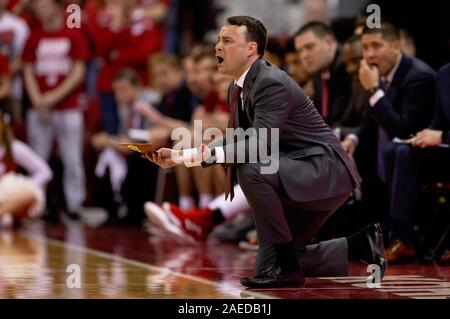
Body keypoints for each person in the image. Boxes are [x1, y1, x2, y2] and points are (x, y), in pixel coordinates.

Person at [145, 16, 386, 288]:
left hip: (324, 170)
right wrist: (180, 156)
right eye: (218, 40)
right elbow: (235, 139)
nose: (217, 47)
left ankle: (287, 269)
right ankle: (359, 245)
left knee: (253, 167)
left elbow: (260, 144)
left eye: (226, 41)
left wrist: (204, 155)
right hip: (298, 170)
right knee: (270, 263)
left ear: (251, 48)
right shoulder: (236, 88)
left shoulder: (271, 82)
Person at [341, 22, 436, 227]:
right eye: (366, 48)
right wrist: (352, 138)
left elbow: (402, 130)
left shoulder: (419, 77)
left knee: (393, 150)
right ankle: (352, 232)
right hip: (390, 156)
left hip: (422, 156)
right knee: (351, 150)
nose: (370, 54)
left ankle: (401, 234)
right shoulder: (381, 75)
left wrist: (374, 90)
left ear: (396, 47)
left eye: (377, 46)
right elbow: (370, 119)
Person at [22, 0, 90, 222]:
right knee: (37, 159)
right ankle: (36, 203)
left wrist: (53, 97)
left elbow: (78, 72)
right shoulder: (34, 38)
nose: (41, 10)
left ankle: (75, 205)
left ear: (57, 7)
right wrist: (38, 100)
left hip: (68, 106)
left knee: (72, 158)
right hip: (39, 108)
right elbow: (28, 70)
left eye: (45, 5)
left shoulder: (73, 36)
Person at [381, 63, 450, 262]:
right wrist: (425, 134)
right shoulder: (444, 73)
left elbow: (442, 132)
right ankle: (403, 237)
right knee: (398, 151)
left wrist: (443, 136)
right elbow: (439, 119)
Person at [294, 22, 352, 126]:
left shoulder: (346, 68)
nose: (304, 55)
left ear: (329, 43)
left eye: (309, 47)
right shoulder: (319, 71)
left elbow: (339, 119)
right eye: (300, 51)